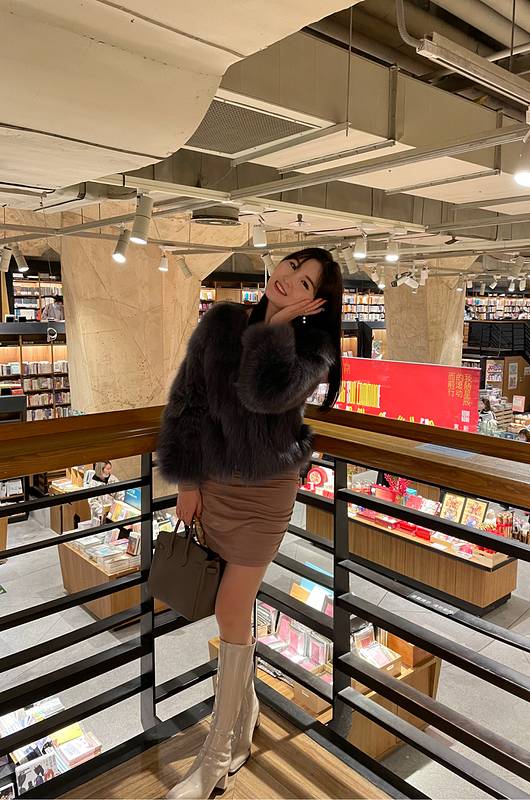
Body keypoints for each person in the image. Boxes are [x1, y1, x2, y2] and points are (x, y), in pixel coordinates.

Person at [157, 247, 342, 799]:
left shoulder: (313, 348)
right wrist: (187, 480)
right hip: (215, 485)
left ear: (317, 302)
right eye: (291, 266)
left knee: (231, 607)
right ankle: (246, 712)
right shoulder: (221, 322)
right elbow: (187, 400)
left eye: (305, 282)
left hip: (266, 493)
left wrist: (277, 329)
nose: (289, 280)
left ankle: (216, 756)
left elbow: (263, 396)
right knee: (232, 614)